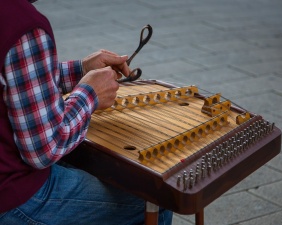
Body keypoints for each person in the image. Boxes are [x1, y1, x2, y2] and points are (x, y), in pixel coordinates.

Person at [0, 0, 173, 224]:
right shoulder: (21, 22)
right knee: (155, 200)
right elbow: (45, 149)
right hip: (13, 199)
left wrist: (81, 69)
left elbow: (19, 79)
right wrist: (90, 94)